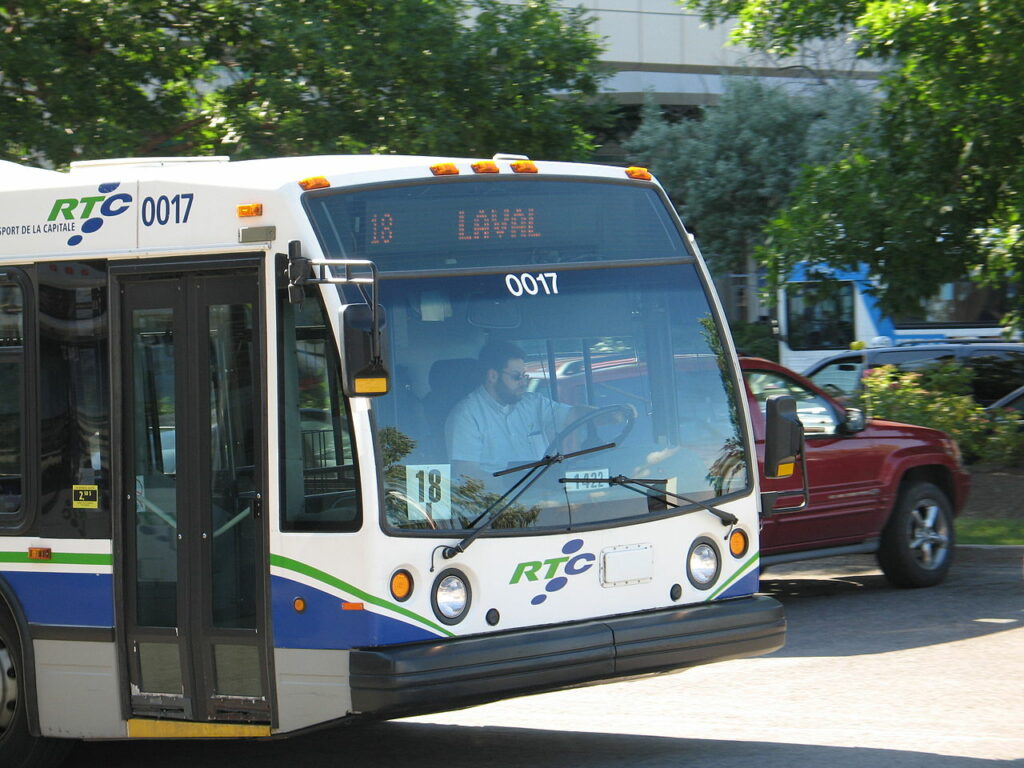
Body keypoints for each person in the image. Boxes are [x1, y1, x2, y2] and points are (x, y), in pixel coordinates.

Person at [445, 341, 580, 480]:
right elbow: (466, 475)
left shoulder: (533, 403)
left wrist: (601, 414)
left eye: (525, 376)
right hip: (496, 500)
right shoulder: (466, 415)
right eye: (517, 377)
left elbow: (574, 416)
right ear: (492, 376)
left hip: (547, 497)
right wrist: (512, 484)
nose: (523, 383)